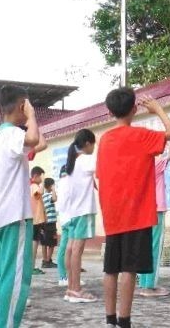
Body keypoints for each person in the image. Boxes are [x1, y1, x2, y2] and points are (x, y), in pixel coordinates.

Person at [97, 89, 170, 328]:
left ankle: (109, 319)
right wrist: (158, 109)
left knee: (111, 269)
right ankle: (124, 321)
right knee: (129, 270)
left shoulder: (105, 139)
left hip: (113, 214)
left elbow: (101, 176)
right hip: (136, 213)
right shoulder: (142, 135)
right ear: (134, 109)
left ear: (110, 111)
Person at [0, 85, 47, 328]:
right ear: (22, 104)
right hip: (15, 217)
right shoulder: (12, 134)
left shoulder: (2, 137)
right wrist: (32, 116)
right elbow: (34, 139)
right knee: (16, 280)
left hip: (1, 218)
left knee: (1, 278)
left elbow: (35, 143)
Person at [137, 141, 170, 298]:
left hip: (144, 210)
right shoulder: (155, 163)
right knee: (154, 247)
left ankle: (144, 282)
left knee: (146, 247)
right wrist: (167, 142)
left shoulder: (138, 166)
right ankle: (150, 286)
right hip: (157, 209)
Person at [62, 128, 97, 303]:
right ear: (88, 144)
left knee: (71, 248)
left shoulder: (73, 162)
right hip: (84, 210)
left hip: (74, 211)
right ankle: (76, 289)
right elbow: (104, 168)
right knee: (77, 250)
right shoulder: (86, 160)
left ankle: (71, 288)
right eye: (94, 144)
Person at [55, 164, 72, 287]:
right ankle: (69, 278)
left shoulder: (58, 184)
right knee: (71, 250)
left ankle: (63, 276)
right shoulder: (69, 182)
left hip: (63, 219)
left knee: (63, 249)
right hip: (71, 219)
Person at [29, 166, 47, 275]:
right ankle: (31, 266)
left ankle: (32, 265)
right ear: (35, 176)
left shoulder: (33, 185)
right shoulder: (34, 186)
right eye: (41, 176)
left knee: (35, 243)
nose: (41, 179)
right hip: (35, 219)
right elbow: (38, 194)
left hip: (36, 219)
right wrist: (42, 184)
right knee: (34, 243)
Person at [40, 177, 57, 270]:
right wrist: (54, 190)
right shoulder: (49, 195)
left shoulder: (42, 196)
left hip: (44, 222)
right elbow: (55, 198)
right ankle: (48, 260)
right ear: (50, 186)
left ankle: (44, 260)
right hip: (50, 222)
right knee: (52, 242)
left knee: (44, 242)